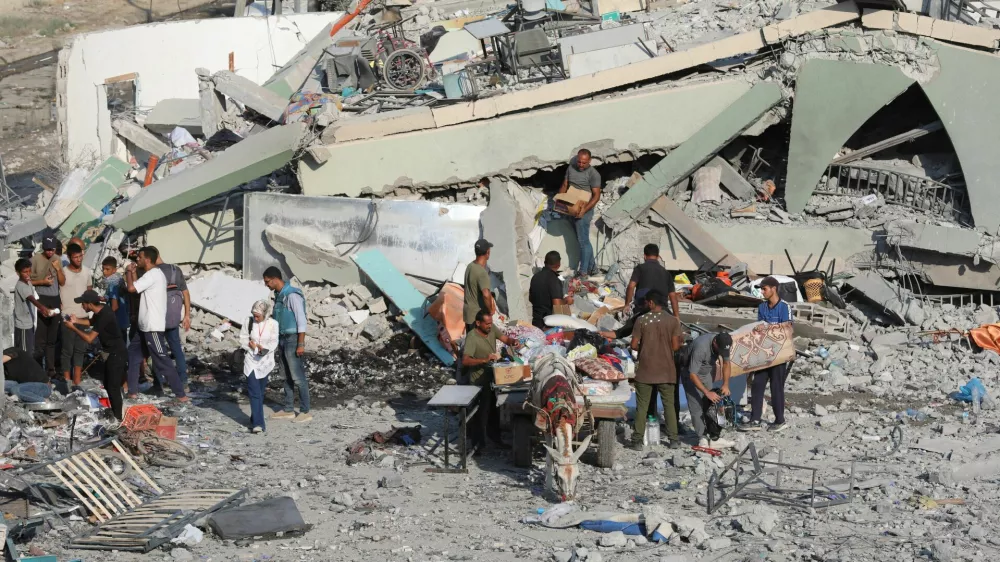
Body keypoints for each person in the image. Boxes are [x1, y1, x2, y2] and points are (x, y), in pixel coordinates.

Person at [125, 247, 188, 403]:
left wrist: (127, 272)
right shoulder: (152, 275)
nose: (137, 260)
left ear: (147, 259)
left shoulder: (153, 274)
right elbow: (138, 287)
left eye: (139, 257)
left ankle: (181, 395)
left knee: (162, 360)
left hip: (152, 327)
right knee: (133, 355)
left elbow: (131, 288)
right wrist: (133, 273)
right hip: (143, 326)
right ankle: (132, 391)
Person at [629, 291, 683, 450]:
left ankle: (637, 441)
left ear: (651, 302)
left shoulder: (641, 320)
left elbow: (633, 345)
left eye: (647, 302)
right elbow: (675, 346)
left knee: (642, 406)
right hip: (666, 370)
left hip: (645, 370)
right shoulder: (673, 321)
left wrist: (644, 348)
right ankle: (673, 439)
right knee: (669, 406)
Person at [62, 290, 128, 420]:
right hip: (111, 353)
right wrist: (76, 321)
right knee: (109, 385)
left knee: (113, 387)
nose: (82, 306)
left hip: (117, 354)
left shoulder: (105, 315)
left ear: (89, 304)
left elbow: (89, 338)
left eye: (83, 304)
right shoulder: (101, 310)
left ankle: (118, 418)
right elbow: (91, 322)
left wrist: (73, 328)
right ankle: (115, 415)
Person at [462, 310, 519, 451]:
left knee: (494, 411)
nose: (489, 326)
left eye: (490, 323)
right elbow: (466, 360)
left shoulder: (491, 328)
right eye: (487, 324)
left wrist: (513, 341)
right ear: (478, 323)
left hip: (492, 379)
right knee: (480, 414)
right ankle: (477, 446)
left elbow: (504, 338)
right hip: (478, 382)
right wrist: (485, 360)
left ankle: (495, 438)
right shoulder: (472, 338)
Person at [741, 276, 793, 433]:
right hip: (763, 353)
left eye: (764, 289)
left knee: (776, 387)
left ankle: (780, 420)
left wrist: (769, 330)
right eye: (761, 289)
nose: (762, 292)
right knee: (757, 386)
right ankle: (755, 419)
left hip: (779, 353)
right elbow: (759, 327)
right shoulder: (762, 307)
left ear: (773, 288)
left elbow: (787, 328)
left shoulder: (784, 307)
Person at [262, 267, 311, 423]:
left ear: (275, 278)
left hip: (292, 339)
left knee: (298, 377)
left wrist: (300, 343)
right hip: (282, 339)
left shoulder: (292, 295)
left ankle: (305, 411)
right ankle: (288, 409)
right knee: (286, 376)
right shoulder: (279, 296)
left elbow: (301, 320)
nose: (266, 285)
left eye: (267, 281)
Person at [683, 332, 736, 449]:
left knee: (714, 404)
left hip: (706, 373)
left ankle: (715, 437)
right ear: (715, 343)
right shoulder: (701, 347)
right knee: (696, 406)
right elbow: (692, 374)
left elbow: (727, 363)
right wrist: (707, 392)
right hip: (691, 374)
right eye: (720, 350)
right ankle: (702, 437)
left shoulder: (724, 343)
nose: (722, 353)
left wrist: (726, 384)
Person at [558, 149, 601, 277]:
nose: (581, 165)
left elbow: (596, 196)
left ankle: (583, 271)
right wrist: (559, 200)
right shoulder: (571, 168)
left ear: (590, 161)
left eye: (584, 163)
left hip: (584, 209)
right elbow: (565, 184)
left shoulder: (594, 174)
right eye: (579, 162)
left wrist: (584, 210)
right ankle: (593, 268)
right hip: (571, 206)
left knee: (583, 241)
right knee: (583, 240)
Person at [151, 248, 191, 389]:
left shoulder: (151, 272)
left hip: (157, 320)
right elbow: (185, 293)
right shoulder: (175, 270)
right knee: (176, 350)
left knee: (157, 351)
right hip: (173, 319)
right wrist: (187, 315)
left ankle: (160, 383)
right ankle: (183, 380)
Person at [238, 300, 279, 434]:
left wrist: (263, 349)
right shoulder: (248, 322)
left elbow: (274, 342)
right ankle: (259, 424)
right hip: (251, 361)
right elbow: (243, 338)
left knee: (260, 392)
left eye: (258, 316)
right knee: (254, 392)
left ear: (265, 314)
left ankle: (254, 417)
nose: (256, 318)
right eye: (254, 315)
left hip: (265, 362)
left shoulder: (273, 324)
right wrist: (252, 347)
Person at [59, 243, 92, 387]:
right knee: (67, 350)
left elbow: (90, 292)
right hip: (67, 316)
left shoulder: (86, 271)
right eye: (75, 257)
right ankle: (67, 380)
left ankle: (77, 379)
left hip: (83, 316)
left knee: (80, 349)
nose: (79, 259)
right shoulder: (63, 272)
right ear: (69, 257)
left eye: (80, 256)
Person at [30, 237, 63, 375]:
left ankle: (51, 369)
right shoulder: (35, 260)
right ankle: (38, 368)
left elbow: (62, 282)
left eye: (53, 249)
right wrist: (42, 281)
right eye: (48, 249)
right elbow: (28, 281)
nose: (50, 252)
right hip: (41, 299)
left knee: (52, 337)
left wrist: (58, 269)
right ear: (43, 247)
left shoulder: (57, 259)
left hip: (55, 299)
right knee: (41, 338)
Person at [14, 258, 51, 357]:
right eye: (24, 272)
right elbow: (32, 299)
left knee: (29, 352)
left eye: (29, 271)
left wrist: (40, 310)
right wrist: (44, 308)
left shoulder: (28, 282)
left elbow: (31, 304)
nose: (28, 274)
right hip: (23, 326)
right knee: (25, 355)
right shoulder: (21, 286)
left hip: (29, 324)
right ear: (18, 273)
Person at [528, 251, 573, 330]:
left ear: (545, 262)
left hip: (535, 323)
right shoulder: (554, 279)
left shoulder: (535, 277)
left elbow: (531, 298)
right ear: (558, 265)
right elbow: (557, 305)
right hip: (547, 326)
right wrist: (566, 300)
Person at [463, 239, 496, 335]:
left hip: (468, 314)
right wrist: (490, 311)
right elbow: (486, 294)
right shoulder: (482, 272)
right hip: (477, 317)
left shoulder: (470, 266)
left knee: (471, 343)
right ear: (488, 253)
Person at [101, 257, 130, 336]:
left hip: (115, 319)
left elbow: (114, 306)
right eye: (103, 269)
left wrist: (104, 317)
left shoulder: (112, 283)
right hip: (123, 318)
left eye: (107, 269)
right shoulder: (119, 279)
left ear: (114, 270)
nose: (104, 272)